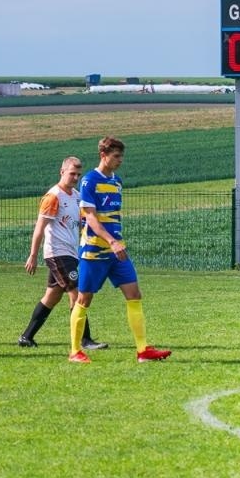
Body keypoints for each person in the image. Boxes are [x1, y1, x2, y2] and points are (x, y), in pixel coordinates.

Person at [72, 137, 170, 363]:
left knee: (134, 294)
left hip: (117, 253)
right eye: (116, 156)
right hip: (94, 252)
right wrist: (111, 241)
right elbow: (91, 219)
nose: (120, 160)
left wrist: (117, 242)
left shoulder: (117, 182)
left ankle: (143, 350)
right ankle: (75, 351)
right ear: (103, 155)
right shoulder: (89, 181)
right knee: (84, 299)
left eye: (121, 156)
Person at [21, 156, 104, 349]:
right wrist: (33, 255)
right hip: (57, 253)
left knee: (52, 296)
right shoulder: (53, 196)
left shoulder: (76, 195)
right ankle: (85, 340)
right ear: (62, 172)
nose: (75, 177)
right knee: (76, 291)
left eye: (78, 174)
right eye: (71, 173)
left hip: (71, 253)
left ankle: (26, 337)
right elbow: (39, 228)